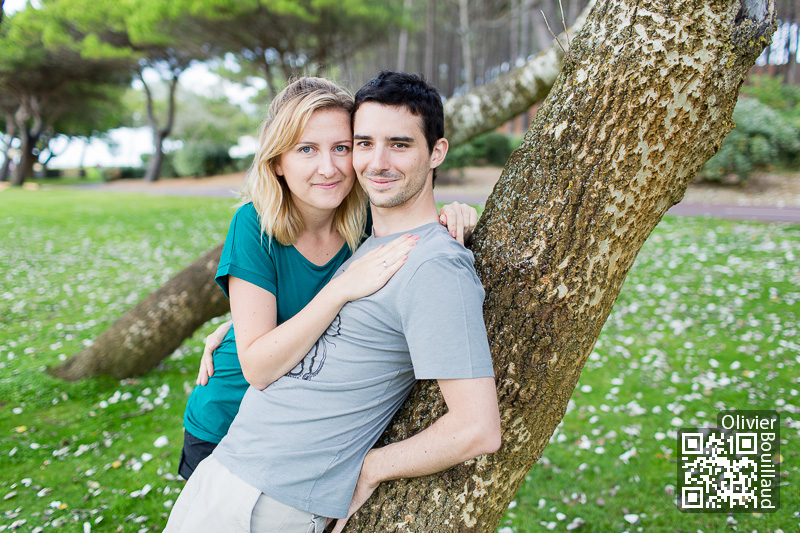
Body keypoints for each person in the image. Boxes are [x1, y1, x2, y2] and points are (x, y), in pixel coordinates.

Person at [164, 71, 501, 533]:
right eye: (308, 149)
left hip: (283, 478)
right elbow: (258, 361)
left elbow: (477, 425)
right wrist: (242, 327)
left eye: (342, 147)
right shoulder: (261, 225)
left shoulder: (375, 227)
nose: (334, 167)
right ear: (278, 161)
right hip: (225, 422)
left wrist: (457, 213)